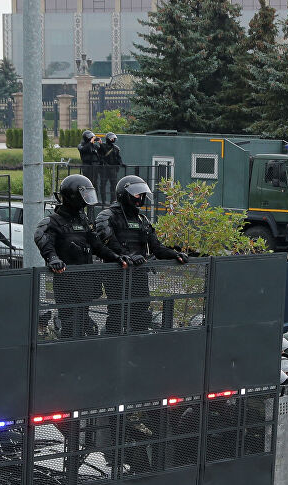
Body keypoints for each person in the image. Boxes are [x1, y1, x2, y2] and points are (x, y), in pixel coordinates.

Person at [34, 174, 130, 339]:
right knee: (71, 325)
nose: (86, 200)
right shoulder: (53, 221)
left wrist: (116, 256)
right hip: (67, 284)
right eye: (83, 196)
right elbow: (42, 238)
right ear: (73, 197)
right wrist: (53, 258)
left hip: (85, 283)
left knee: (86, 325)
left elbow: (97, 246)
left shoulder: (83, 221)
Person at [94, 175, 187, 334]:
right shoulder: (107, 216)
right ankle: (111, 347)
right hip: (116, 273)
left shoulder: (141, 219)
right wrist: (128, 255)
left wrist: (175, 254)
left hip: (139, 274)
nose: (140, 198)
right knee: (117, 314)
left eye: (142, 194)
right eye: (137, 194)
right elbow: (108, 241)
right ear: (124, 194)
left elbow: (156, 247)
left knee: (142, 313)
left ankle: (138, 346)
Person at [97, 133, 123, 204]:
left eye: (114, 138)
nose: (113, 139)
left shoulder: (116, 148)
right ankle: (103, 201)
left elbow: (118, 158)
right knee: (103, 185)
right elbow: (100, 157)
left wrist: (121, 164)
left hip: (113, 169)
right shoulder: (102, 147)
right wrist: (104, 164)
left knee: (114, 185)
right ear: (108, 138)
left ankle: (113, 201)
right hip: (104, 170)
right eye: (112, 138)